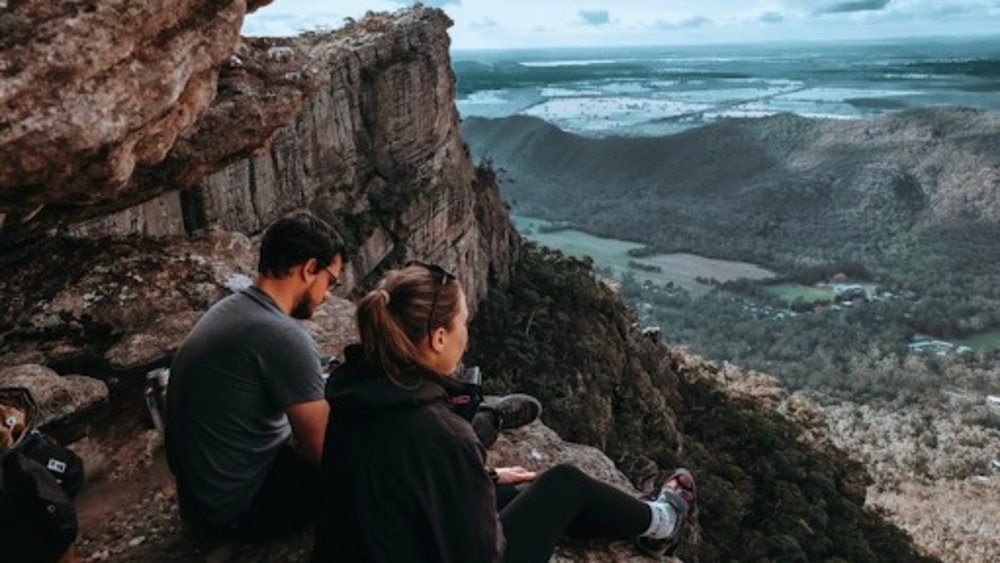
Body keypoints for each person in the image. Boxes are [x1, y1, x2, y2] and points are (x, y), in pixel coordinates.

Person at [313, 263, 697, 563]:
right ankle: (664, 522)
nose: (467, 333)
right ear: (439, 338)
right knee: (563, 484)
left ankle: (640, 518)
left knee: (520, 492)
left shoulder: (353, 389)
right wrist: (479, 491)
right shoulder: (444, 435)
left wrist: (482, 481)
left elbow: (391, 477)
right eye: (462, 322)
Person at [165, 211, 346, 541]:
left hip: (201, 500)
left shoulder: (233, 309)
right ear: (309, 269)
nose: (329, 294)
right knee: (369, 459)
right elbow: (325, 452)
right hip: (239, 509)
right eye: (330, 281)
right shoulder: (283, 336)